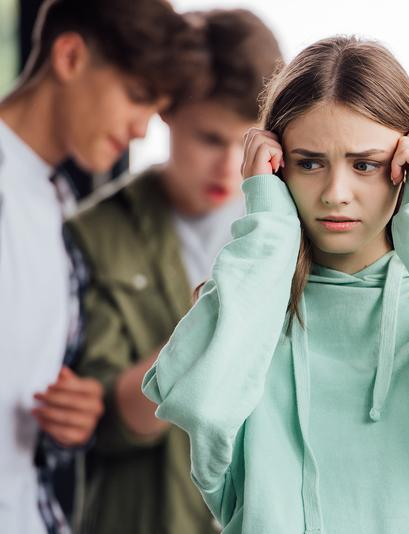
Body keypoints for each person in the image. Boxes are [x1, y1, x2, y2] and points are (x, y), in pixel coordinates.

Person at [141, 35, 409, 534]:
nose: (336, 194)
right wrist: (268, 230)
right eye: (310, 163)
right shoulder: (246, 302)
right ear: (278, 169)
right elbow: (203, 410)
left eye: (365, 165)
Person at [66, 9, 282, 533]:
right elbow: (101, 422)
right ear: (166, 115)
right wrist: (208, 331)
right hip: (144, 515)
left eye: (246, 142)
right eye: (209, 139)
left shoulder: (288, 228)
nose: (229, 164)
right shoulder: (97, 230)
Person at [0, 0, 204, 532]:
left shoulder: (57, 204)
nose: (141, 131)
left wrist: (76, 415)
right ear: (70, 57)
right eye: (137, 98)